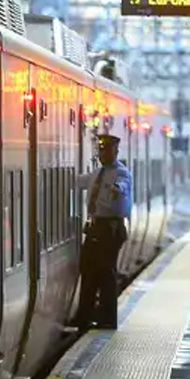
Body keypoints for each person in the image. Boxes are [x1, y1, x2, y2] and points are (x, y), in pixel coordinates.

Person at [72, 134, 132, 330]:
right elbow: (78, 182)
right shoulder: (97, 174)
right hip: (96, 228)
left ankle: (107, 319)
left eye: (106, 149)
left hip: (110, 229)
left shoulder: (122, 174)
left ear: (115, 151)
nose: (102, 153)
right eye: (100, 150)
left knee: (106, 273)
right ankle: (84, 316)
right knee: (88, 270)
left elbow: (123, 186)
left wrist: (117, 189)